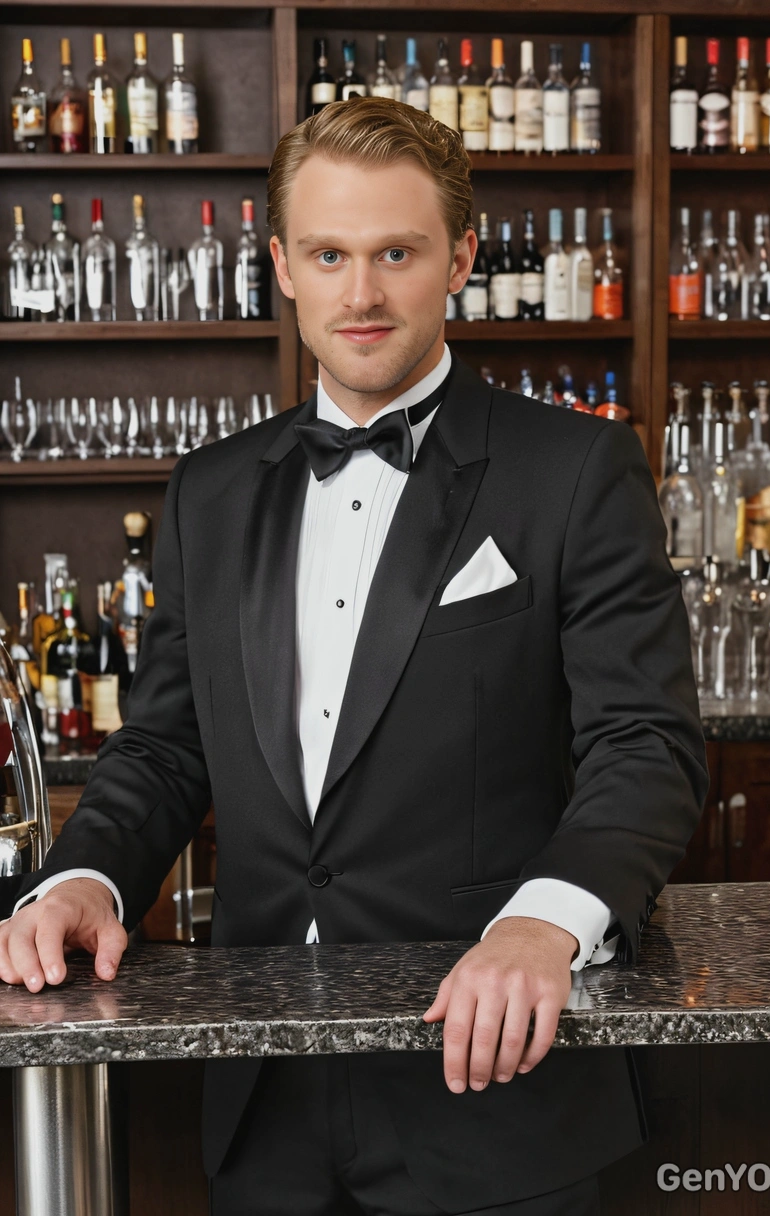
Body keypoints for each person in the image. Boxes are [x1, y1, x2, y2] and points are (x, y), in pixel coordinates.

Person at [0, 96, 708, 1215]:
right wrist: (89, 877)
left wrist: (544, 920)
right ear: (283, 264)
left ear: (461, 257)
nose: (361, 293)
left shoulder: (575, 471)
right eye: (329, 253)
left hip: (502, 1090)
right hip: (265, 1098)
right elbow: (168, 744)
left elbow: (645, 742)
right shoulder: (212, 491)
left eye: (396, 252)